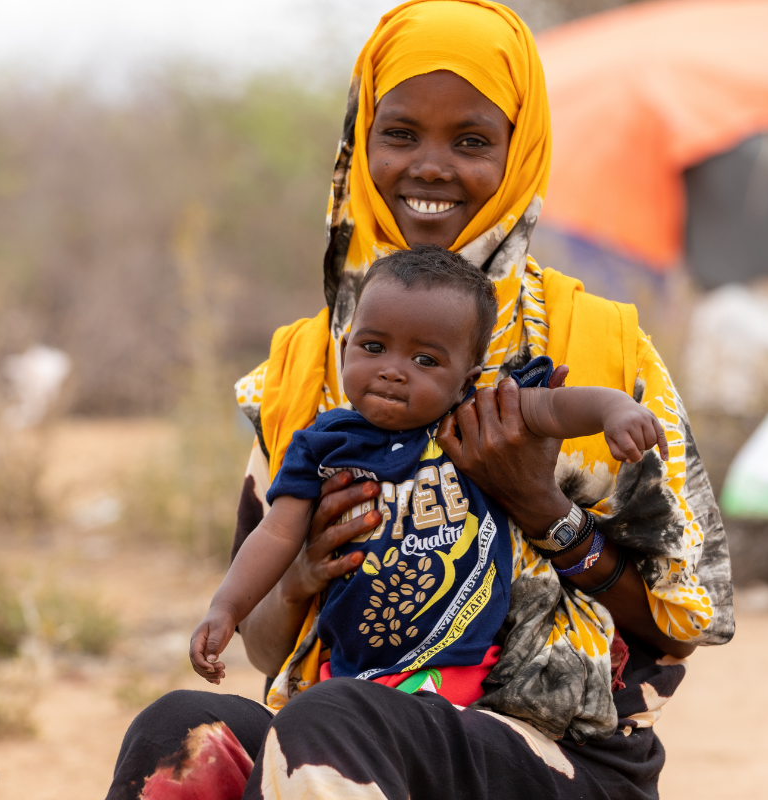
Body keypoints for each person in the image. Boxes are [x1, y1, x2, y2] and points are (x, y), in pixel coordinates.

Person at [107, 2, 733, 798]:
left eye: (471, 141)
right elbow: (269, 652)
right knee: (179, 730)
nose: (430, 167)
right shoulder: (310, 368)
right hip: (340, 732)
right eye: (400, 134)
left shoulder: (598, 348)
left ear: (520, 149)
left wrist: (546, 511)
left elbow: (684, 622)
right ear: (359, 139)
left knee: (339, 718)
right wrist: (301, 574)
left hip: (559, 756)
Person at [189, 245, 669, 693]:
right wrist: (225, 607)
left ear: (467, 376)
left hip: (460, 668)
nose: (393, 370)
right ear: (345, 345)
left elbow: (558, 408)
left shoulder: (478, 420)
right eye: (373, 347)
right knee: (333, 736)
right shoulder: (323, 445)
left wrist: (616, 410)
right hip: (351, 672)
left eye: (425, 360)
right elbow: (275, 534)